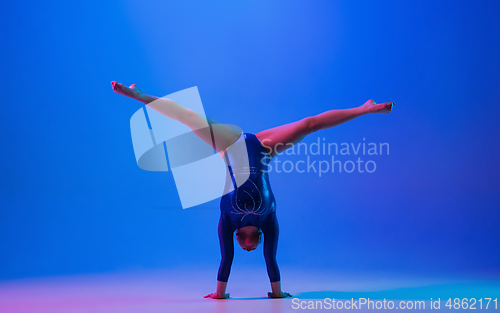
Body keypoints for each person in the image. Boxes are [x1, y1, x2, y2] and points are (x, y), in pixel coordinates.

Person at [111, 81, 394, 300]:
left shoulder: (228, 221)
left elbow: (226, 259)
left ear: (238, 237)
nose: (250, 248)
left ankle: (365, 108)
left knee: (189, 117)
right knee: (309, 125)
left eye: (245, 246)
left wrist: (220, 294)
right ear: (256, 240)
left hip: (230, 146)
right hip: (263, 149)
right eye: (253, 247)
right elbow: (271, 257)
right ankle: (365, 108)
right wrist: (277, 293)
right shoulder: (267, 220)